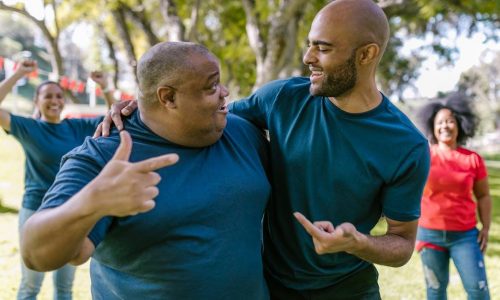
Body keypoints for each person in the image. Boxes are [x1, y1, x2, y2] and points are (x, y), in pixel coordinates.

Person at [99, 1, 430, 298]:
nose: (308, 57)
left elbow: (402, 244)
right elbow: (197, 116)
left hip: (349, 291)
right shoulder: (283, 98)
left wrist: (358, 242)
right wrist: (140, 108)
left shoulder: (406, 145)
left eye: (323, 48)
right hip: (271, 287)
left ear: (366, 54)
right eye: (309, 44)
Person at [21, 42, 271, 299]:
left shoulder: (242, 133)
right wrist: (92, 202)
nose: (224, 92)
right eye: (211, 86)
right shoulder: (105, 157)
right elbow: (35, 254)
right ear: (168, 97)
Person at [0, 60, 114, 300]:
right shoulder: (29, 128)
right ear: (36, 101)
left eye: (59, 96)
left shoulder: (77, 126)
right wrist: (18, 73)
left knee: (64, 288)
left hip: (70, 211)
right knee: (30, 285)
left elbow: (116, 119)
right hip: (35, 210)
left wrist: (105, 88)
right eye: (48, 96)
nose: (55, 100)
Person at [416, 93, 491, 299]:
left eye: (450, 121)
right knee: (435, 290)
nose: (445, 126)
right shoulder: (424, 156)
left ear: (459, 124)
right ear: (432, 127)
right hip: (429, 235)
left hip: (465, 236)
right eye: (440, 122)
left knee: (478, 290)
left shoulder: (473, 159)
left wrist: (485, 227)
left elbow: (484, 195)